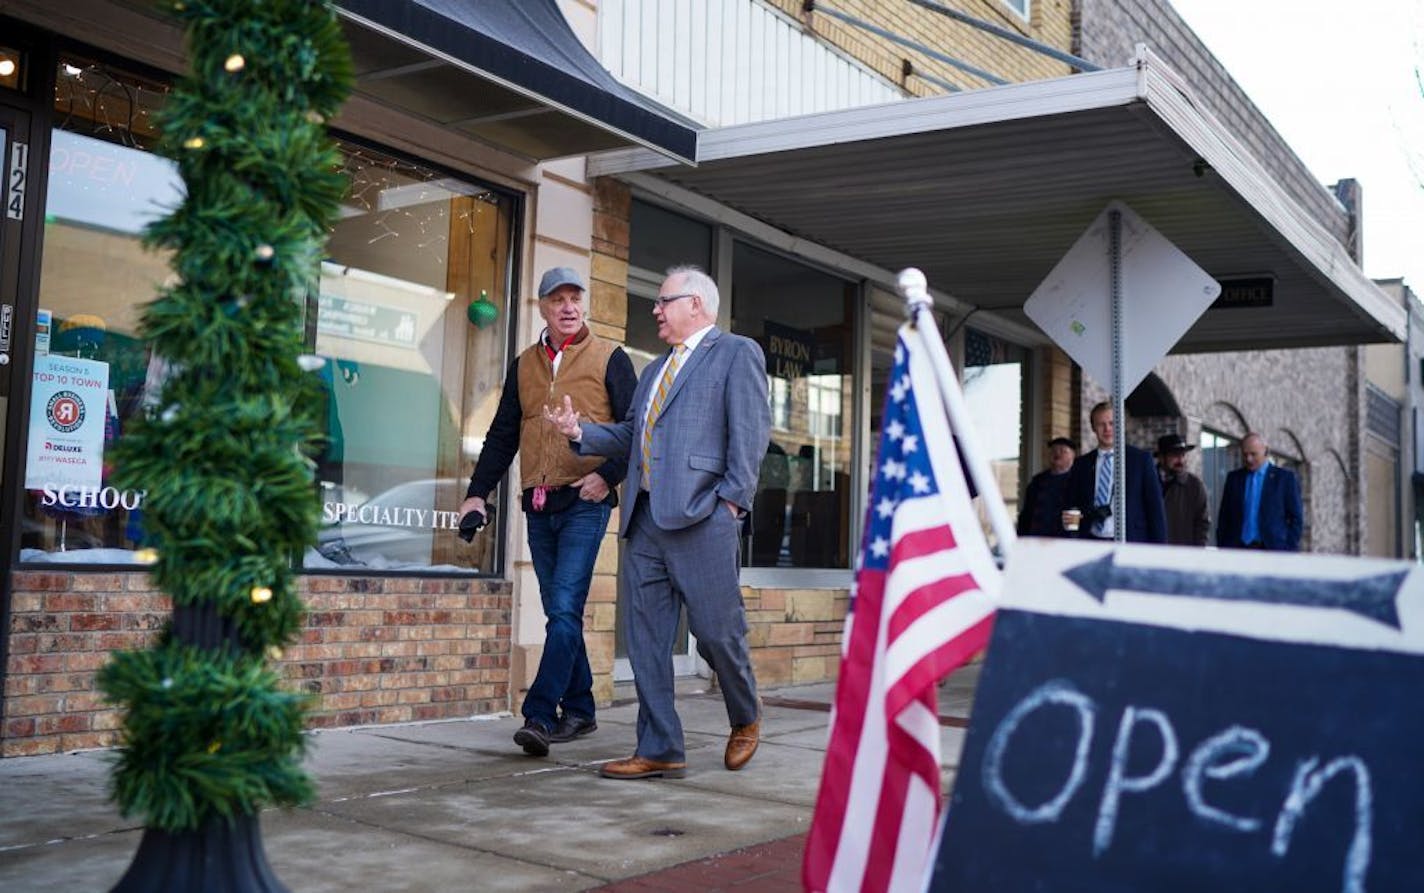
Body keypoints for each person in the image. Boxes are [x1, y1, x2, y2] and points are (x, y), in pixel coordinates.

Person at [545, 265, 770, 780]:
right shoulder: (653, 371)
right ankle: (661, 746)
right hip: (645, 521)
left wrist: (731, 505)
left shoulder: (736, 354)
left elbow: (750, 434)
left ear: (696, 304)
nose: (656, 310)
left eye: (664, 301)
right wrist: (581, 431)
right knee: (646, 639)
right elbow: (630, 437)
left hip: (702, 518)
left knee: (716, 633)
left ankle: (745, 712)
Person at [459, 266, 637, 758]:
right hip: (538, 506)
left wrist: (609, 476)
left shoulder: (610, 358)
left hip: (585, 500)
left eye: (575, 297)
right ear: (541, 307)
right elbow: (501, 435)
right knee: (563, 613)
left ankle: (540, 714)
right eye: (557, 298)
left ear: (585, 304)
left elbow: (638, 429)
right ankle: (580, 709)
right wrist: (479, 493)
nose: (567, 307)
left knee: (562, 610)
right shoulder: (524, 364)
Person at [1061, 402, 1167, 543]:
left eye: (1112, 423)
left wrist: (1159, 551)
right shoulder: (1082, 464)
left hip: (1130, 543)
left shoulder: (1141, 460)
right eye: (1101, 424)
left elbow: (1156, 511)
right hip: (1090, 542)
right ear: (1093, 428)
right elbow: (1071, 505)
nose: (1107, 429)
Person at [1216, 432, 1303, 551]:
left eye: (1253, 454)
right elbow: (1224, 517)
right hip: (1237, 550)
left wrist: (1288, 549)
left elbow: (1296, 519)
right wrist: (1223, 545)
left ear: (1266, 451)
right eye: (1245, 455)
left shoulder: (1284, 479)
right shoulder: (1233, 479)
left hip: (1272, 551)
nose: (1249, 459)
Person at [1155, 433, 1210, 547]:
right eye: (1175, 455)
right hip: (1151, 553)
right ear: (1161, 457)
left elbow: (1202, 525)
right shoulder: (1148, 481)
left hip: (1184, 556)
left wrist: (1198, 554)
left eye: (1183, 455)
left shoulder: (1195, 486)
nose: (1181, 460)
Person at [1016, 436, 1076, 537]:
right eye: (1053, 450)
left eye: (1063, 451)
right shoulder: (1037, 481)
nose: (1057, 454)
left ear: (1073, 456)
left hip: (1065, 541)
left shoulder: (1078, 481)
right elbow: (1027, 513)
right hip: (1036, 539)